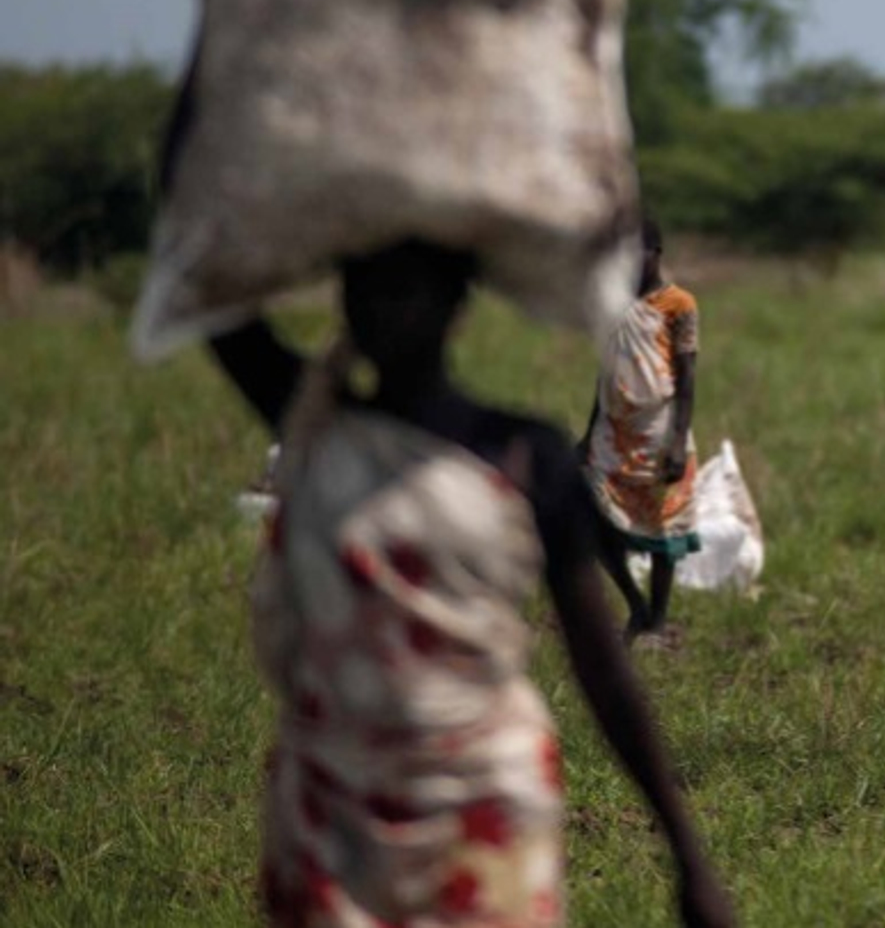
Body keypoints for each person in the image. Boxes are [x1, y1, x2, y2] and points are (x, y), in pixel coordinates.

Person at [208, 240, 733, 927]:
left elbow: (601, 665)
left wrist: (687, 854)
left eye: (408, 291)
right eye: (363, 290)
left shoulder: (525, 456)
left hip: (485, 797)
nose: (382, 311)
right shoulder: (315, 424)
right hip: (331, 808)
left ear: (457, 304)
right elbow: (210, 288)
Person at [579, 218, 702, 640]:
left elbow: (687, 379)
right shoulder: (612, 304)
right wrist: (589, 432)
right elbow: (606, 375)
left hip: (660, 430)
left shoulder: (679, 305)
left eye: (639, 253)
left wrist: (678, 442)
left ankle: (659, 619)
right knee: (593, 522)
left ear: (657, 253)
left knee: (663, 528)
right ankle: (636, 604)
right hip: (611, 436)